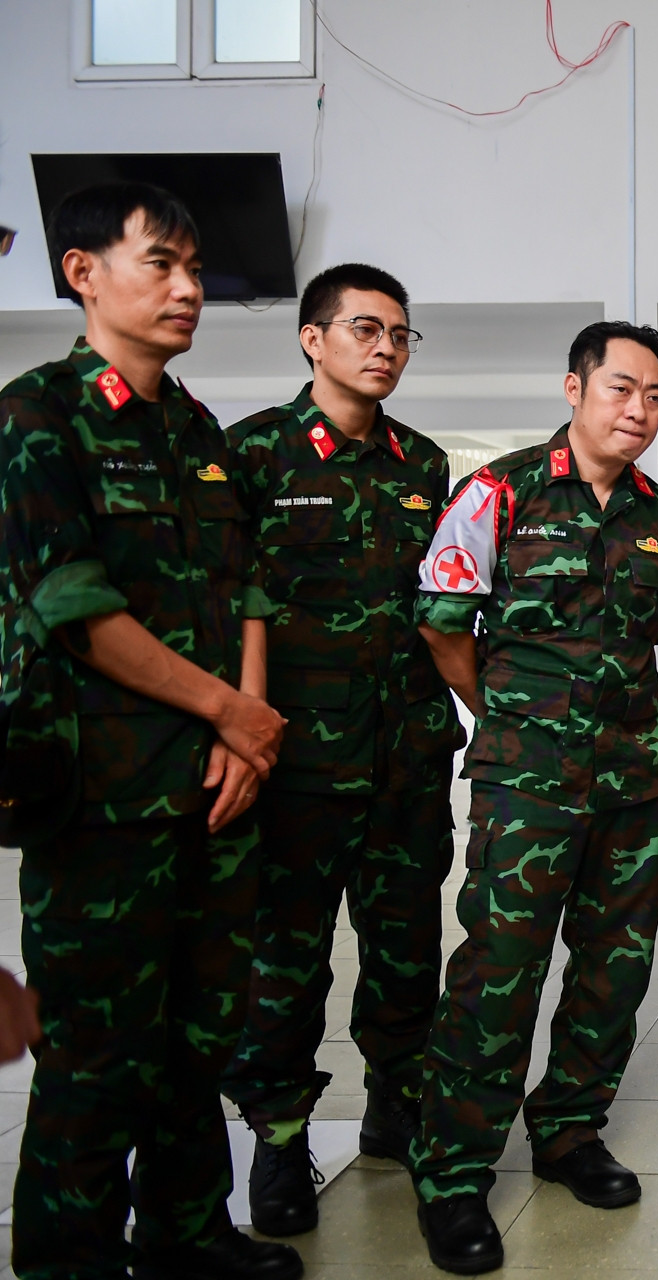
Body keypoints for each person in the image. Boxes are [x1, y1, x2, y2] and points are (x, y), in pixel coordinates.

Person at [0, 182, 300, 1279]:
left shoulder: (196, 429)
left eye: (195, 269)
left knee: (199, 1036)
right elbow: (73, 606)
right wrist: (229, 709)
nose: (188, 288)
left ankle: (186, 1235)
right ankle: (68, 1260)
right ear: (82, 272)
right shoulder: (37, 418)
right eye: (161, 263)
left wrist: (246, 730)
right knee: (97, 1056)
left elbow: (247, 583)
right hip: (103, 803)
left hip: (216, 791)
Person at [408, 321, 658, 1274]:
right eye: (621, 389)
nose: (639, 410)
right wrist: (506, 716)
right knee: (500, 970)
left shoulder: (657, 511)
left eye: (654, 395)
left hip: (635, 781)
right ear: (575, 389)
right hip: (528, 782)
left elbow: (646, 641)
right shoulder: (501, 490)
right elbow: (443, 624)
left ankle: (568, 1130)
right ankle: (451, 1171)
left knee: (615, 970)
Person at [219, 264, 464, 1237]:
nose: (386, 348)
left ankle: (396, 1106)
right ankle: (280, 1136)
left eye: (400, 334)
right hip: (298, 765)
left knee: (407, 951)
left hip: (406, 756)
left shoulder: (424, 464)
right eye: (366, 329)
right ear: (312, 338)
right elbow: (228, 601)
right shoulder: (254, 455)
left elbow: (439, 602)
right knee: (286, 959)